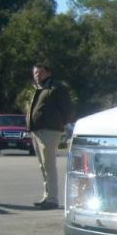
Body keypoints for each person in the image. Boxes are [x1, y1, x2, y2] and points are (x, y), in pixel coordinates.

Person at [26, 62, 74, 209]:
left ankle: (53, 199)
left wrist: (59, 124)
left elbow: (68, 110)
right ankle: (47, 196)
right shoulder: (38, 89)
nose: (37, 75)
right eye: (35, 73)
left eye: (40, 72)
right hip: (37, 131)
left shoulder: (57, 88)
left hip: (50, 131)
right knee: (43, 165)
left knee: (49, 164)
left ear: (48, 73)